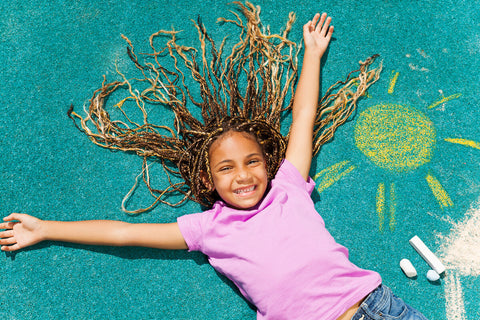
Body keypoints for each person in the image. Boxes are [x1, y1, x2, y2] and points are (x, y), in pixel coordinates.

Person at [0, 10, 428, 320]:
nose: (243, 175)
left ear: (269, 165)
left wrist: (311, 55)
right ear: (207, 179)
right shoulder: (207, 229)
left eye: (252, 162)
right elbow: (125, 232)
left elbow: (302, 119)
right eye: (226, 168)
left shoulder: (289, 188)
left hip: (377, 308)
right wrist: (47, 228)